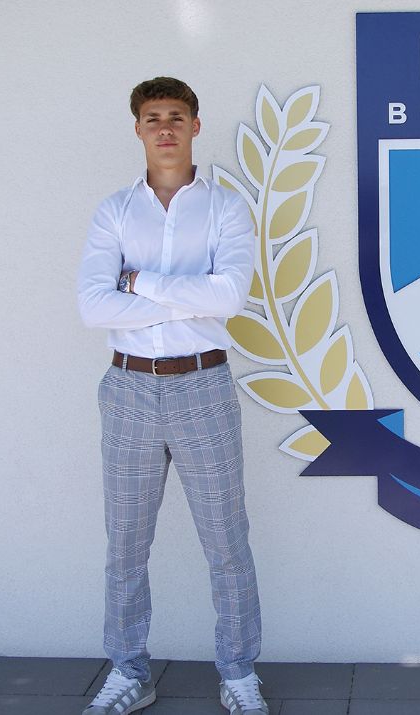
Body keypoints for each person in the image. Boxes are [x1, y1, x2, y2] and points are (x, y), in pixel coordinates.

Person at [77, 76, 266, 715]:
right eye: (153, 117)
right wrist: (185, 295)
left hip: (203, 386)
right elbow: (93, 307)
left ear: (195, 126)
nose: (165, 128)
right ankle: (127, 670)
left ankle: (238, 673)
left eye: (176, 117)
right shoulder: (114, 211)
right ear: (137, 128)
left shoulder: (225, 209)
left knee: (226, 539)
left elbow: (228, 297)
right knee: (126, 541)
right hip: (128, 388)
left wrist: (138, 282)